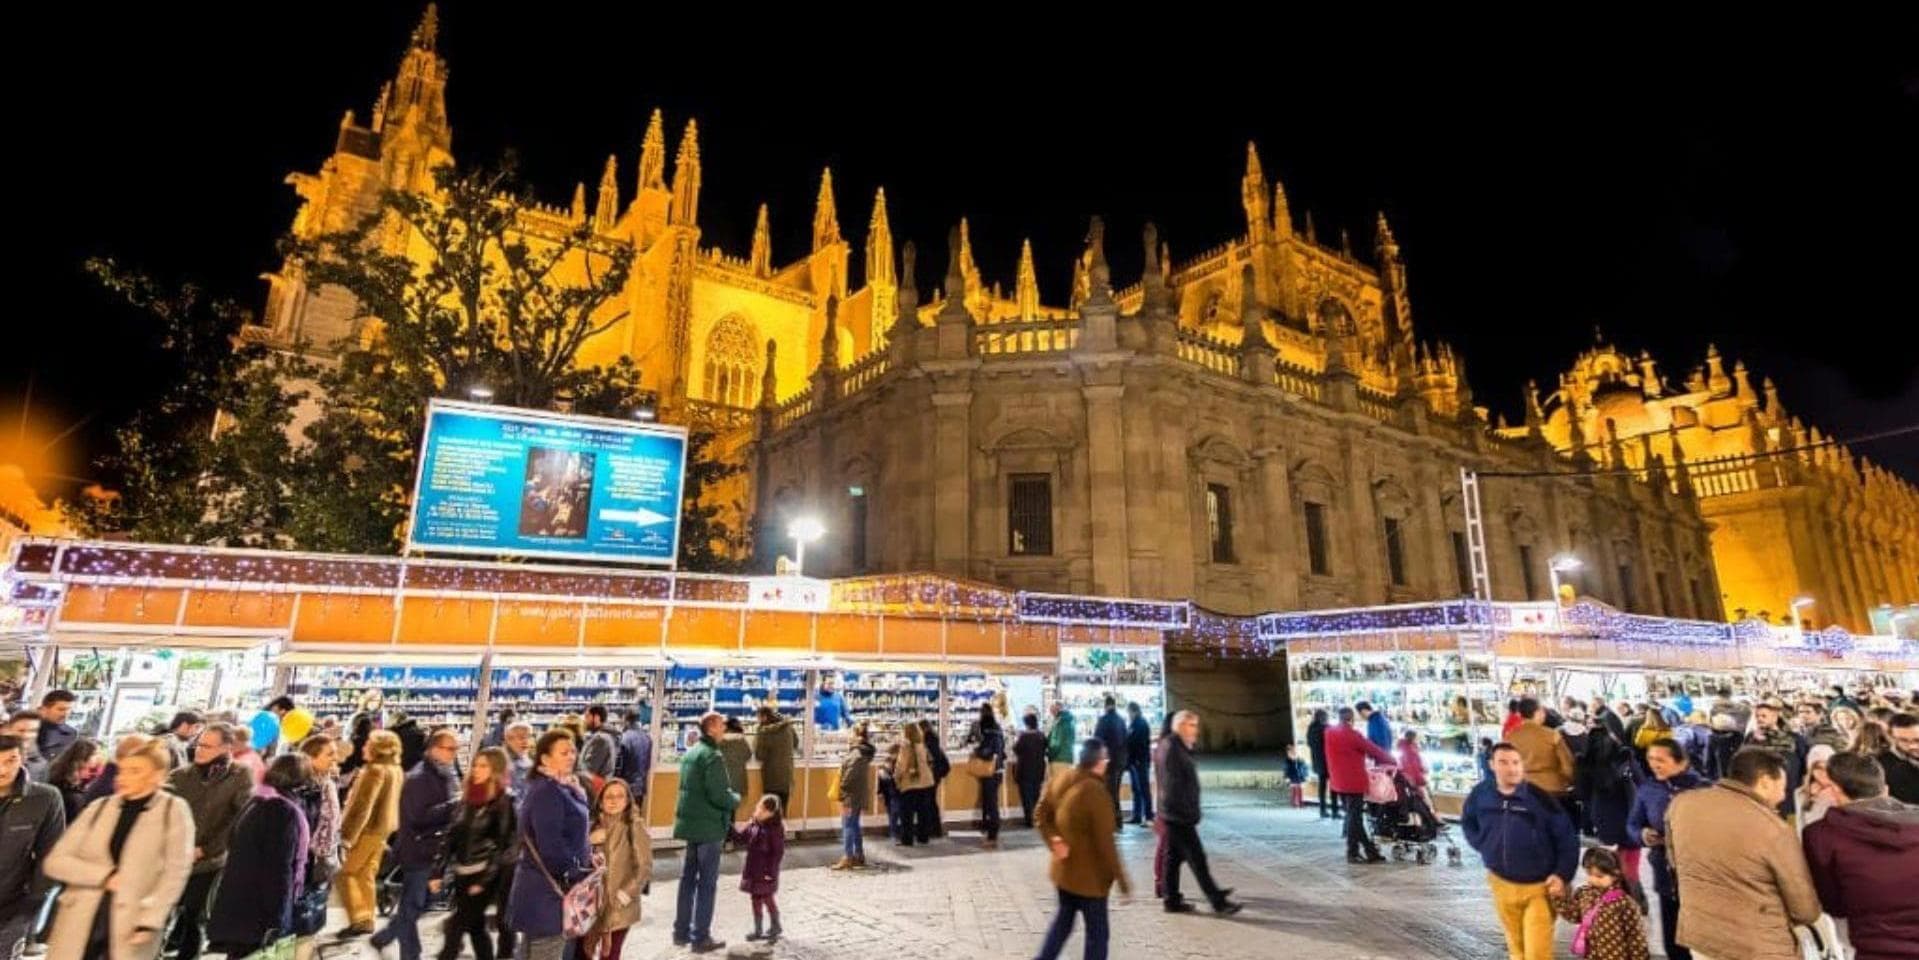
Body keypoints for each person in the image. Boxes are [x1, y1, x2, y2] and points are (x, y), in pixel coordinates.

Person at [41, 736, 193, 960]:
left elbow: (175, 873)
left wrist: (150, 919)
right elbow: (56, 862)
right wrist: (103, 876)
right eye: (123, 770)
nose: (124, 777)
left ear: (157, 775)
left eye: (135, 771)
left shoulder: (173, 811)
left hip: (133, 923)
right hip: (80, 918)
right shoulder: (99, 808)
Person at [1665, 746, 1821, 960]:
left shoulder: (1682, 804)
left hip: (1702, 937)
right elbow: (1804, 910)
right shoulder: (1773, 828)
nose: (1783, 795)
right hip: (1759, 946)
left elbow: (1674, 861)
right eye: (1782, 786)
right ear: (1765, 781)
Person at [1459, 743, 1579, 960]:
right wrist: (1484, 845)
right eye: (1503, 762)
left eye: (1516, 762)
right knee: (1516, 949)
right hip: (1501, 883)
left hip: (1539, 889)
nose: (1511, 768)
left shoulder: (1540, 799)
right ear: (1492, 765)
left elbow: (1567, 838)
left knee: (1536, 953)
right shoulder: (1481, 794)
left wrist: (1562, 874)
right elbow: (1468, 821)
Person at [1801, 751, 1919, 960]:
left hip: (1875, 948)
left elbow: (1833, 904)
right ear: (1885, 790)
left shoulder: (1821, 836)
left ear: (1835, 790)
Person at [206, 753, 314, 959]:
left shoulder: (258, 800)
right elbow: (279, 870)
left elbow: (232, 839)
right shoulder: (283, 810)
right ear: (300, 780)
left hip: (239, 904)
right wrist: (278, 919)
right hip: (258, 912)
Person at [1033, 738, 1131, 960]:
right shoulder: (1096, 794)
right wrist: (1123, 883)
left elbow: (1040, 814)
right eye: (1104, 758)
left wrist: (1054, 840)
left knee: (1062, 924)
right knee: (1097, 935)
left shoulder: (1061, 778)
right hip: (1090, 881)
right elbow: (1107, 844)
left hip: (1064, 872)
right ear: (1098, 763)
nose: (1106, 762)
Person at [163, 721, 251, 960]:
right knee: (162, 912)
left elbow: (239, 818)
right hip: (173, 857)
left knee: (195, 916)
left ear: (226, 749)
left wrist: (208, 849)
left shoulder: (240, 775)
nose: (200, 750)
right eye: (199, 744)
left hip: (210, 861)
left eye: (208, 746)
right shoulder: (181, 775)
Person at [373, 728, 461, 960]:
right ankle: (410, 954)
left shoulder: (446, 773)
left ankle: (386, 936)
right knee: (413, 905)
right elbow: (417, 817)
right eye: (449, 749)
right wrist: (455, 805)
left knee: (417, 905)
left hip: (434, 850)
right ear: (434, 749)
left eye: (455, 749)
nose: (454, 753)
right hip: (419, 850)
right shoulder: (420, 777)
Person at [509, 730, 595, 960]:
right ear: (545, 759)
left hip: (543, 889)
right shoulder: (548, 791)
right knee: (545, 951)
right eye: (564, 752)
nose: (571, 756)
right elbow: (552, 847)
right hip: (547, 893)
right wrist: (577, 869)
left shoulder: (563, 786)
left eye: (573, 751)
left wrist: (589, 854)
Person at [1626, 738, 1708, 960]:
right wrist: (1642, 834)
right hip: (1665, 872)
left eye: (1661, 759)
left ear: (1681, 762)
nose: (1654, 764)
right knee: (1673, 937)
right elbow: (1632, 824)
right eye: (1651, 759)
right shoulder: (1648, 789)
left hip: (1701, 873)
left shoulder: (1704, 788)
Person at [432, 746, 517, 960]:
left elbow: (505, 845)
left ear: (496, 769)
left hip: (484, 875)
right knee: (475, 927)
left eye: (483, 766)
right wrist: (437, 871)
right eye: (475, 765)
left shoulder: (504, 802)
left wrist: (485, 880)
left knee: (455, 927)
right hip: (462, 873)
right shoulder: (468, 797)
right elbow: (451, 836)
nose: (476, 770)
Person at [1158, 711, 1241, 915]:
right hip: (1178, 815)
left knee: (1172, 859)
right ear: (1181, 726)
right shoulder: (1173, 749)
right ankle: (1217, 902)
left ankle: (1171, 899)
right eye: (1192, 725)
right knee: (1197, 859)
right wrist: (1187, 812)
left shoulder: (1175, 746)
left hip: (1174, 813)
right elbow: (1174, 786)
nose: (1196, 730)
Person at [671, 712, 739, 954]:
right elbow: (719, 794)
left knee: (687, 879)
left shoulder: (691, 753)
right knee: (707, 884)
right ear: (711, 728)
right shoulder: (713, 756)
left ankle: (681, 932)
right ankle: (701, 937)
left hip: (691, 825)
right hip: (709, 827)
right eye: (721, 724)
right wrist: (735, 799)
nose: (724, 727)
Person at [0, 733, 66, 960]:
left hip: (11, 905)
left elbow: (52, 852)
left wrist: (34, 899)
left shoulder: (45, 798)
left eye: (10, 760)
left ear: (22, 758)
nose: (2, 770)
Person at [336, 729, 403, 938]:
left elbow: (362, 807)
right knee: (366, 874)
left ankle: (359, 918)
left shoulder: (374, 771)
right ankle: (367, 918)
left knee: (344, 872)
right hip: (382, 831)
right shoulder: (395, 769)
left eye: (368, 744)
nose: (364, 747)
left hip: (366, 831)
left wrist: (347, 837)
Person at [581, 777, 650, 960]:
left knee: (610, 954)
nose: (613, 800)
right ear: (601, 802)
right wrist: (588, 842)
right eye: (609, 796)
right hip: (593, 903)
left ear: (627, 801)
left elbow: (644, 866)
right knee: (585, 951)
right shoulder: (593, 826)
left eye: (620, 796)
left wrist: (625, 894)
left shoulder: (634, 826)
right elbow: (580, 862)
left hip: (618, 905)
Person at [291, 736, 343, 960]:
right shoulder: (305, 787)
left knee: (309, 924)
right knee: (301, 925)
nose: (335, 758)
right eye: (329, 754)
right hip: (305, 864)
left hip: (321, 864)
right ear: (311, 757)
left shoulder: (325, 781)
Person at [1550, 846, 1650, 960]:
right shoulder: (1584, 893)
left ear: (1615, 874)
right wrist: (1558, 898)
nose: (1593, 880)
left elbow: (1636, 938)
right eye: (1589, 874)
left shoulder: (1625, 903)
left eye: (1599, 876)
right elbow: (1573, 915)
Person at [1323, 706, 1395, 863]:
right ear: (1351, 720)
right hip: (1353, 783)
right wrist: (1393, 760)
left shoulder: (1329, 733)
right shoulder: (1353, 735)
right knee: (1354, 818)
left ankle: (1367, 851)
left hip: (1338, 782)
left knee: (1353, 817)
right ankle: (1353, 852)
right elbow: (1374, 750)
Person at [729, 795, 786, 943]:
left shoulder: (775, 829)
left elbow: (777, 853)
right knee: (755, 898)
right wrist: (728, 826)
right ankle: (758, 929)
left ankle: (775, 924)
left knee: (766, 897)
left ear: (771, 812)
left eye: (762, 809)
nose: (758, 811)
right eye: (758, 807)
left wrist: (770, 873)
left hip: (765, 871)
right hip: (753, 869)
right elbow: (741, 838)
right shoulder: (754, 824)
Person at [1743, 699, 1807, 818]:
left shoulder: (1794, 739)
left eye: (1763, 716)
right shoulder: (1751, 738)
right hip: (1762, 796)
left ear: (1774, 717)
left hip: (1789, 796)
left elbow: (1804, 767)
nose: (1759, 719)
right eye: (1757, 716)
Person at [1507, 697, 1575, 798]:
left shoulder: (1510, 737)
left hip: (1523, 790)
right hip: (1553, 790)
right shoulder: (1552, 735)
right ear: (1537, 712)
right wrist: (1567, 782)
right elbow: (1567, 766)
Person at [833, 722, 874, 870]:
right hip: (856, 794)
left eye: (851, 734)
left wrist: (842, 791)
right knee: (854, 824)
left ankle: (848, 857)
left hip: (851, 795)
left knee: (848, 825)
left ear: (858, 737)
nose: (849, 737)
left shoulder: (856, 754)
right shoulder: (862, 753)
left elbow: (849, 777)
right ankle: (858, 855)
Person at [965, 703, 1006, 847]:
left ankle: (992, 834)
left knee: (990, 803)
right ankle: (990, 831)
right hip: (997, 770)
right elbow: (1001, 750)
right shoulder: (998, 730)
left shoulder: (988, 733)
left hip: (990, 771)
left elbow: (987, 752)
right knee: (990, 802)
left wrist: (977, 752)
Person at [893, 721, 937, 845]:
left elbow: (901, 765)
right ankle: (923, 837)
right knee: (923, 812)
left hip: (911, 783)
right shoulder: (922, 745)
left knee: (907, 814)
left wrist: (896, 778)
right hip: (926, 783)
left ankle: (907, 839)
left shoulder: (906, 747)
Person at [752, 706, 799, 817]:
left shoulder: (764, 732)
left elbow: (759, 756)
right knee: (782, 810)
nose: (758, 720)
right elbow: (796, 743)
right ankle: (781, 833)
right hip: (786, 777)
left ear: (764, 717)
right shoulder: (788, 726)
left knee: (769, 812)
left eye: (758, 717)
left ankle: (771, 834)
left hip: (771, 778)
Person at [45, 738, 103, 822]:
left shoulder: (61, 773)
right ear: (83, 757)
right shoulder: (72, 794)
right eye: (95, 754)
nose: (99, 757)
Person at [1092, 696, 1129, 828]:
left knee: (1109, 791)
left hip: (1108, 762)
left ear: (1105, 706)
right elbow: (1126, 740)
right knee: (1115, 790)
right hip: (1121, 761)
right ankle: (1116, 819)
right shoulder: (1121, 720)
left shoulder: (1103, 720)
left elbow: (1097, 740)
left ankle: (1114, 820)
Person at [1012, 712, 1050, 829]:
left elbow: (1016, 749)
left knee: (1026, 797)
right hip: (1038, 769)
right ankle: (1037, 818)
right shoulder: (1041, 735)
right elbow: (1046, 748)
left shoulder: (1023, 736)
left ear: (1026, 724)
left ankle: (1030, 820)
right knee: (1036, 795)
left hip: (1025, 770)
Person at [1124, 702, 1154, 825]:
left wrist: (1134, 759)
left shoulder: (1140, 724)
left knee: (1143, 788)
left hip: (1139, 761)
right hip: (1135, 761)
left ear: (1134, 711)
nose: (1128, 715)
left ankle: (1148, 816)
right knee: (1136, 789)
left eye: (1129, 712)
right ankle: (1137, 815)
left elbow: (1138, 743)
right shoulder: (1135, 723)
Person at [1795, 744, 1840, 827]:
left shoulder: (1841, 792)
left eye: (1827, 767)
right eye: (1818, 768)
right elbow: (1800, 825)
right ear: (1811, 770)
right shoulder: (1801, 793)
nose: (1824, 773)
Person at [617, 709, 653, 810]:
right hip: (640, 785)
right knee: (636, 815)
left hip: (626, 785)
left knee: (624, 817)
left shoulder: (624, 738)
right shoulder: (647, 737)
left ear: (626, 720)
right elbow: (647, 764)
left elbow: (619, 765)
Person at [342, 691, 382, 782]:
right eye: (372, 700)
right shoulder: (356, 716)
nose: (375, 703)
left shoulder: (383, 716)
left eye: (377, 701)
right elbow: (347, 734)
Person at [1881, 712, 1919, 804]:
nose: (1912, 746)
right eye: (1903, 740)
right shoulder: (1881, 766)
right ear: (1890, 738)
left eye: (1917, 740)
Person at [1304, 709, 1336, 819]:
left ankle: (1322, 810)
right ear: (1324, 718)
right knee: (1333, 786)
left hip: (1317, 761)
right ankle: (1334, 810)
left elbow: (1309, 743)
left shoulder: (1311, 728)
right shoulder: (1327, 728)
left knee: (1322, 787)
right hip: (1329, 761)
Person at [578, 704, 620, 786]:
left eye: (587, 717)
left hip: (593, 789)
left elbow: (588, 769)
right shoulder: (605, 736)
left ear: (596, 718)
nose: (584, 720)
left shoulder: (600, 740)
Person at [716, 717, 751, 808]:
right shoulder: (741, 740)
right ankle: (731, 821)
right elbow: (748, 755)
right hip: (738, 778)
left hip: (721, 779)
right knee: (732, 808)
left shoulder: (718, 741)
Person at [36, 691, 78, 765]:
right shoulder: (29, 728)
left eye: (69, 710)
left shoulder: (71, 734)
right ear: (45, 709)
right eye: (61, 709)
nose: (65, 714)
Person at [2, 713, 45, 783]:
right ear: (8, 730)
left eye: (33, 731)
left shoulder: (41, 764)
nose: (27, 735)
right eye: (21, 730)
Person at [503, 721, 534, 799]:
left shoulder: (529, 761)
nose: (526, 741)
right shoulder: (502, 762)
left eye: (529, 737)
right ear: (509, 739)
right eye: (521, 737)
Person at [1046, 702, 1078, 776]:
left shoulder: (1060, 723)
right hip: (1068, 759)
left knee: (1057, 786)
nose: (1052, 715)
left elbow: (1056, 743)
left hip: (1058, 760)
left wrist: (1048, 754)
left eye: (1052, 712)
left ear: (1056, 710)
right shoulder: (1070, 720)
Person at [1396, 730, 1427, 799]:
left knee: (1414, 794)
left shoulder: (1404, 745)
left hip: (1409, 774)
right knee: (1418, 795)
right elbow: (1415, 762)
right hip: (1411, 775)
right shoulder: (1411, 747)